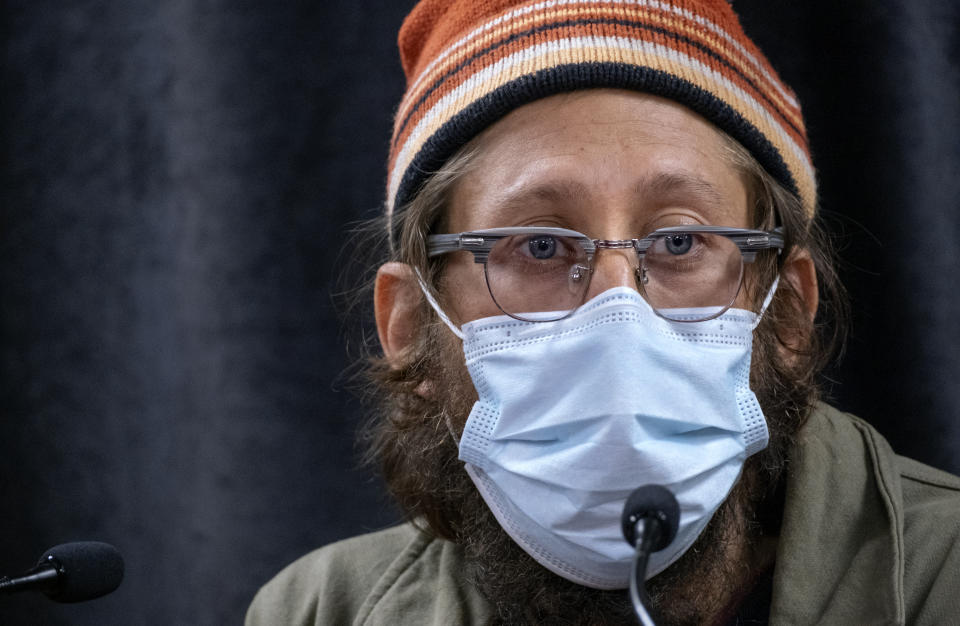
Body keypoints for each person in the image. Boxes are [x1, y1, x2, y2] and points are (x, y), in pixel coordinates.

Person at [246, 1, 960, 623]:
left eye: (680, 241)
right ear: (409, 322)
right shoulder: (317, 610)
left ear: (790, 313)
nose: (619, 315)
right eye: (539, 246)